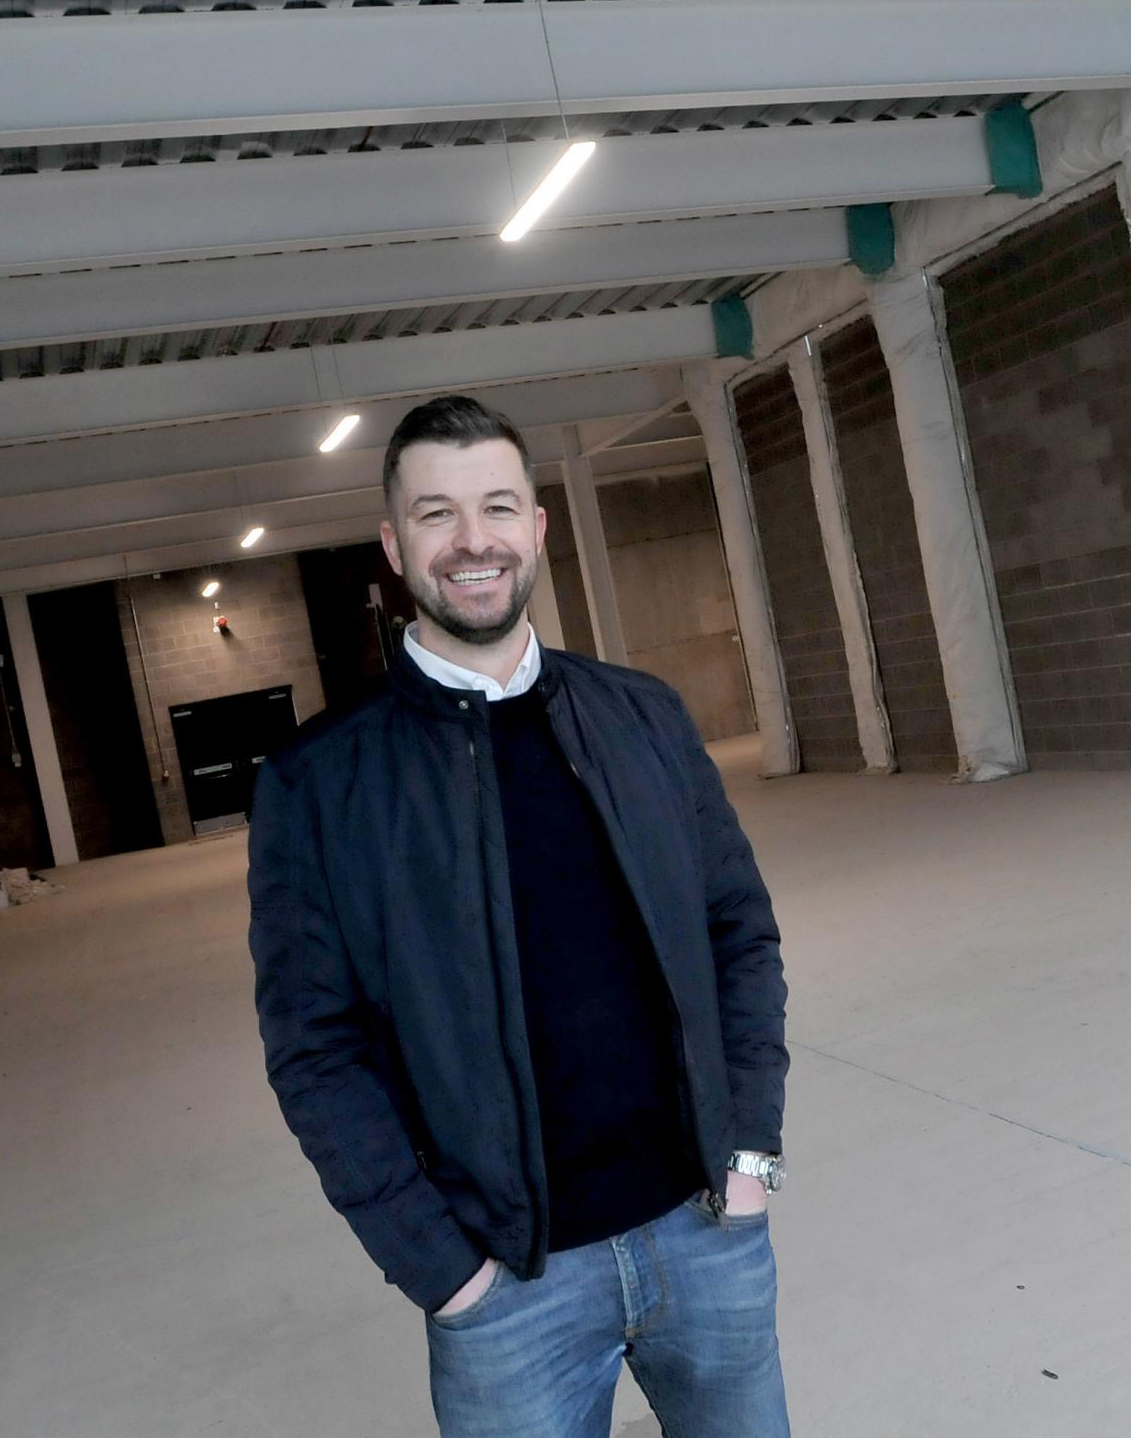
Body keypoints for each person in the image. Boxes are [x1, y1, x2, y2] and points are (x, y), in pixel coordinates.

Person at [249, 393, 792, 1437]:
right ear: (393, 543)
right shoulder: (319, 783)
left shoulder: (642, 715)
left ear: (536, 529)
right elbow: (314, 1051)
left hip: (707, 1233)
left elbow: (739, 933)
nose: (472, 541)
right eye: (436, 513)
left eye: (497, 507)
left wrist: (751, 1154)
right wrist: (446, 1272)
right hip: (508, 1293)